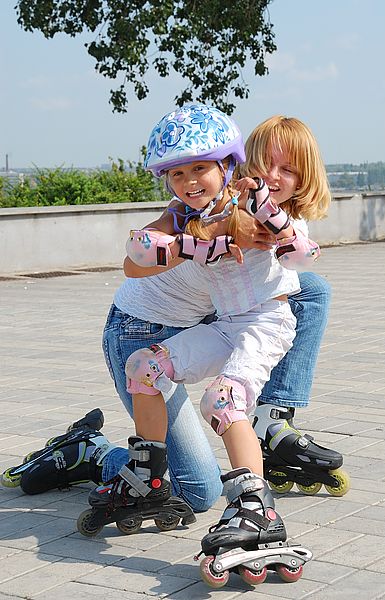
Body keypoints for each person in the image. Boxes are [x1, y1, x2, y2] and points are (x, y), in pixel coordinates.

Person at [2, 110, 346, 514]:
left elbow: (299, 264)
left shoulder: (268, 210)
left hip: (201, 324)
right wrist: (206, 239)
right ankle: (93, 453)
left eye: (286, 169)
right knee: (198, 491)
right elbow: (133, 263)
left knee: (312, 291)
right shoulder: (196, 208)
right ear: (240, 162)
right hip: (139, 329)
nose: (271, 176)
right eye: (264, 164)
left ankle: (272, 420)